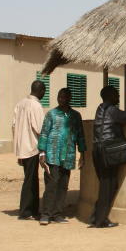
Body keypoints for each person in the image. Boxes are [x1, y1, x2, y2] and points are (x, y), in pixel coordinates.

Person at [38, 88, 86, 225]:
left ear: (69, 98)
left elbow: (81, 135)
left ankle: (57, 214)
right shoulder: (51, 114)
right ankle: (46, 214)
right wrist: (42, 153)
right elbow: (44, 133)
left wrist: (83, 153)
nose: (61, 99)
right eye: (60, 96)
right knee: (51, 184)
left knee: (63, 186)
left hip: (68, 155)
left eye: (64, 97)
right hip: (52, 155)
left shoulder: (75, 116)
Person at [90, 85, 126, 228]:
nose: (118, 97)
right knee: (108, 185)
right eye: (116, 94)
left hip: (97, 150)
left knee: (107, 184)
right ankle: (101, 220)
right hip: (107, 151)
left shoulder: (100, 108)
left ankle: (96, 216)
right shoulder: (112, 110)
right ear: (110, 96)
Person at [12, 80, 46, 220]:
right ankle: (26, 211)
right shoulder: (35, 106)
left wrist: (18, 148)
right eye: (43, 91)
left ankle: (31, 209)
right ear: (40, 91)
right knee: (30, 179)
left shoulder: (20, 104)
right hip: (32, 147)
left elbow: (13, 126)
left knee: (30, 178)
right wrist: (43, 149)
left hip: (22, 146)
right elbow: (39, 128)